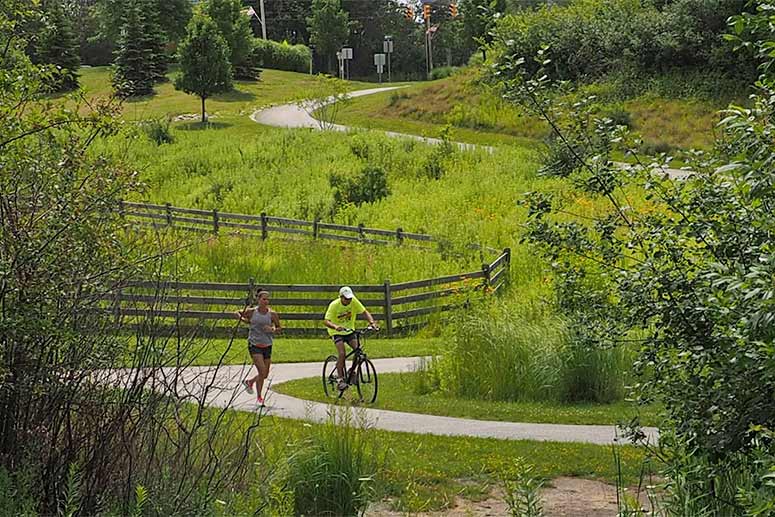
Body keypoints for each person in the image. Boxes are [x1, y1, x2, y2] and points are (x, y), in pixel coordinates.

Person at [324, 286, 379, 390]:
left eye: (350, 298)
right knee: (342, 353)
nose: (348, 301)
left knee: (358, 351)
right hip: (336, 332)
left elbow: (364, 312)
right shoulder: (334, 305)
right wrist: (336, 326)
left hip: (349, 331)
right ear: (341, 297)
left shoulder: (354, 301)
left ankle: (351, 371)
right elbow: (326, 321)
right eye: (346, 299)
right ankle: (340, 379)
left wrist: (372, 323)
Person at [236, 290, 281, 405]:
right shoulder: (252, 312)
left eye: (267, 299)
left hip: (267, 344)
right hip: (254, 344)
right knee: (261, 370)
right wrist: (246, 321)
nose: (266, 301)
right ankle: (260, 397)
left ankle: (249, 382)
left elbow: (279, 329)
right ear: (258, 300)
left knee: (265, 374)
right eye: (263, 299)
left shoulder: (272, 314)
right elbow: (237, 313)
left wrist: (272, 330)